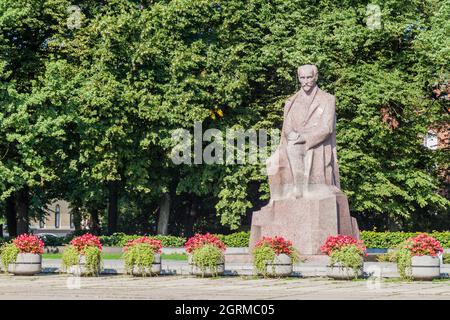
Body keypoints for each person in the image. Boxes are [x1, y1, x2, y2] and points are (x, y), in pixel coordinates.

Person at [266, 64, 341, 200]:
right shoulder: (292, 101)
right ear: (299, 78)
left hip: (317, 142)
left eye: (309, 77)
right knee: (276, 158)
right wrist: (292, 135)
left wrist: (305, 138)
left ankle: (298, 188)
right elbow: (287, 126)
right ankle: (280, 197)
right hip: (294, 140)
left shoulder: (328, 99)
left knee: (294, 147)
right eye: (302, 77)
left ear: (315, 77)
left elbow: (327, 128)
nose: (305, 81)